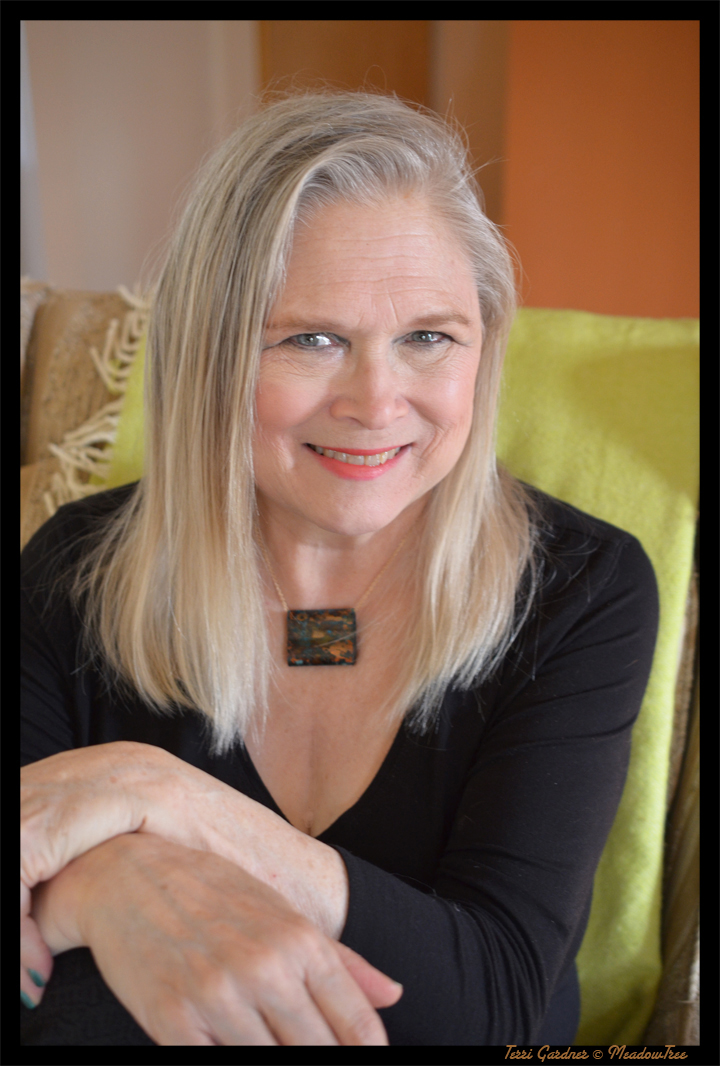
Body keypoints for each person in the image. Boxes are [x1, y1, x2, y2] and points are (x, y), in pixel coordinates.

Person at [20, 90, 659, 1047]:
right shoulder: (76, 570)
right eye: (311, 339)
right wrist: (111, 879)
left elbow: (500, 1005)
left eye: (428, 337)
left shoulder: (579, 586)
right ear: (208, 356)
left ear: (483, 348)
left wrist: (161, 799)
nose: (377, 401)